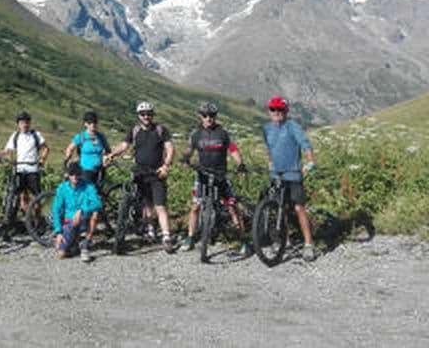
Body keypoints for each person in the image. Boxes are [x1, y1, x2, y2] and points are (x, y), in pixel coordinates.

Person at [180, 102, 250, 255]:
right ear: (200, 117)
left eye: (211, 115)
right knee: (195, 207)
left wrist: (240, 164)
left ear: (215, 116)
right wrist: (185, 158)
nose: (208, 118)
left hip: (221, 176)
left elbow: (233, 150)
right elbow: (189, 149)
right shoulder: (196, 134)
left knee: (232, 207)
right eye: (205, 116)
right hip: (202, 175)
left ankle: (244, 240)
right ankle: (190, 237)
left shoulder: (223, 133)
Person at [107, 101, 176, 253]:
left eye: (149, 114)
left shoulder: (160, 130)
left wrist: (166, 165)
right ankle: (151, 230)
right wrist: (112, 154)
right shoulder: (135, 130)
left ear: (152, 115)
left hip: (157, 173)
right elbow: (124, 146)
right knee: (147, 205)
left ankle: (166, 237)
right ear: (139, 116)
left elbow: (170, 149)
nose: (146, 116)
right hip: (139, 173)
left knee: (160, 206)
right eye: (143, 114)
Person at [263, 96, 317, 262]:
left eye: (280, 109)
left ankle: (308, 244)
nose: (277, 112)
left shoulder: (293, 127)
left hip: (293, 174)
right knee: (281, 208)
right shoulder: (266, 128)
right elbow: (269, 148)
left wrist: (310, 161)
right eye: (273, 109)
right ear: (269, 111)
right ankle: (285, 241)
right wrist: (270, 163)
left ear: (286, 111)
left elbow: (305, 144)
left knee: (299, 208)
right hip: (276, 175)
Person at [0, 110, 49, 216]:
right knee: (22, 197)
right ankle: (28, 221)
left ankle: (38, 221)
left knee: (37, 198)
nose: (25, 125)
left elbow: (45, 148)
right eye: (22, 123)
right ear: (18, 124)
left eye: (27, 122)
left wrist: (42, 160)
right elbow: (7, 151)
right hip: (20, 170)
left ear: (29, 123)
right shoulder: (15, 136)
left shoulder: (35, 135)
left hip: (33, 170)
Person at [52, 162, 102, 262]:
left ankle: (85, 244)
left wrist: (81, 210)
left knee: (95, 212)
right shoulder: (62, 188)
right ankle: (73, 242)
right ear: (68, 175)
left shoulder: (88, 186)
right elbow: (56, 210)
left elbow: (98, 203)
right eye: (72, 174)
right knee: (61, 255)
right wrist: (58, 232)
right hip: (69, 221)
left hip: (84, 217)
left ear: (81, 174)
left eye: (77, 174)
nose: (75, 176)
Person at [65, 111, 110, 184]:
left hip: (100, 170)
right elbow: (70, 148)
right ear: (85, 124)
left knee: (97, 192)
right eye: (90, 122)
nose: (93, 124)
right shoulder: (81, 137)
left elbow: (108, 150)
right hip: (85, 170)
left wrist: (107, 158)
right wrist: (69, 160)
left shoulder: (101, 137)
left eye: (94, 122)